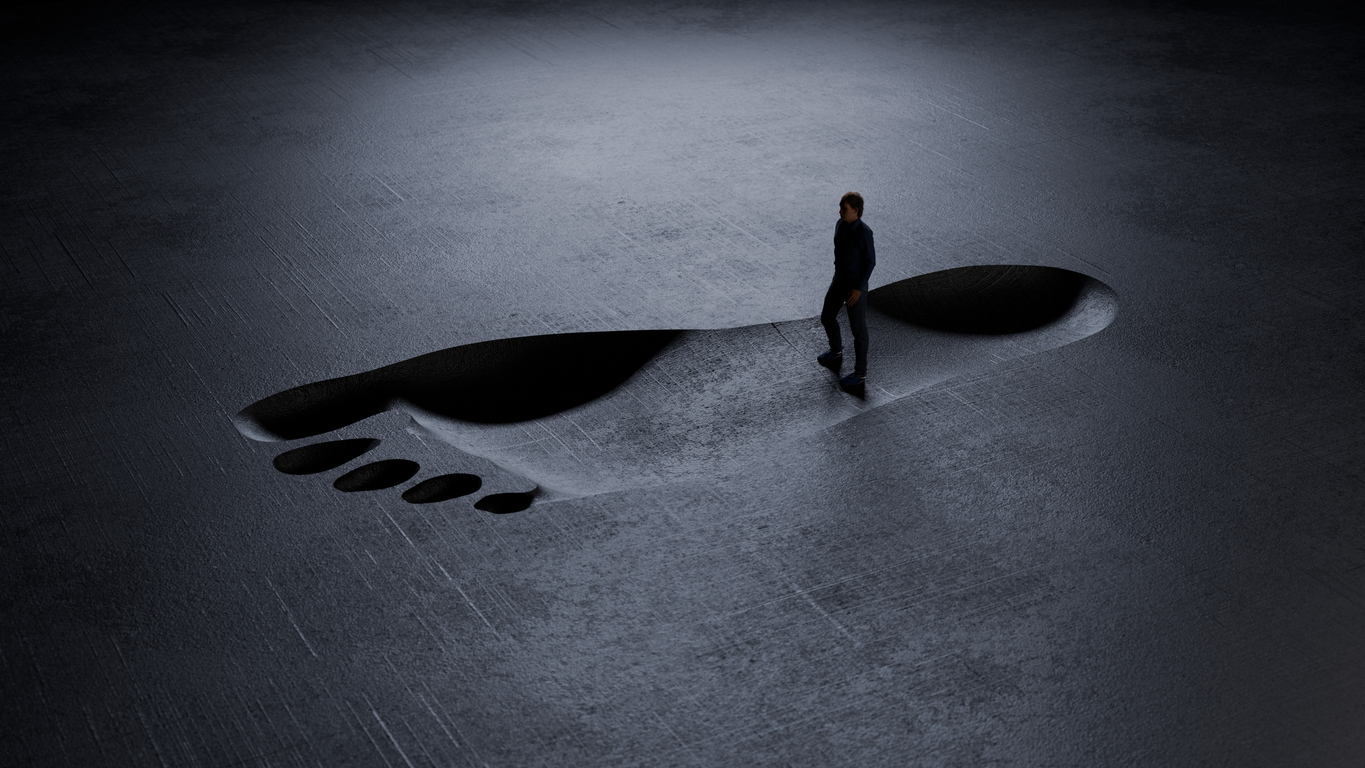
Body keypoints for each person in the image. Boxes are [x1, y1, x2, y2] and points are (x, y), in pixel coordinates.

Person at [818, 191, 875, 393]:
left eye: (844, 209)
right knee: (826, 316)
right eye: (840, 208)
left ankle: (860, 375)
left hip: (854, 288)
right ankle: (836, 350)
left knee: (858, 330)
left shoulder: (865, 233)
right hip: (839, 281)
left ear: (856, 211)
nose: (840, 211)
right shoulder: (840, 225)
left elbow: (870, 262)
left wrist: (858, 290)